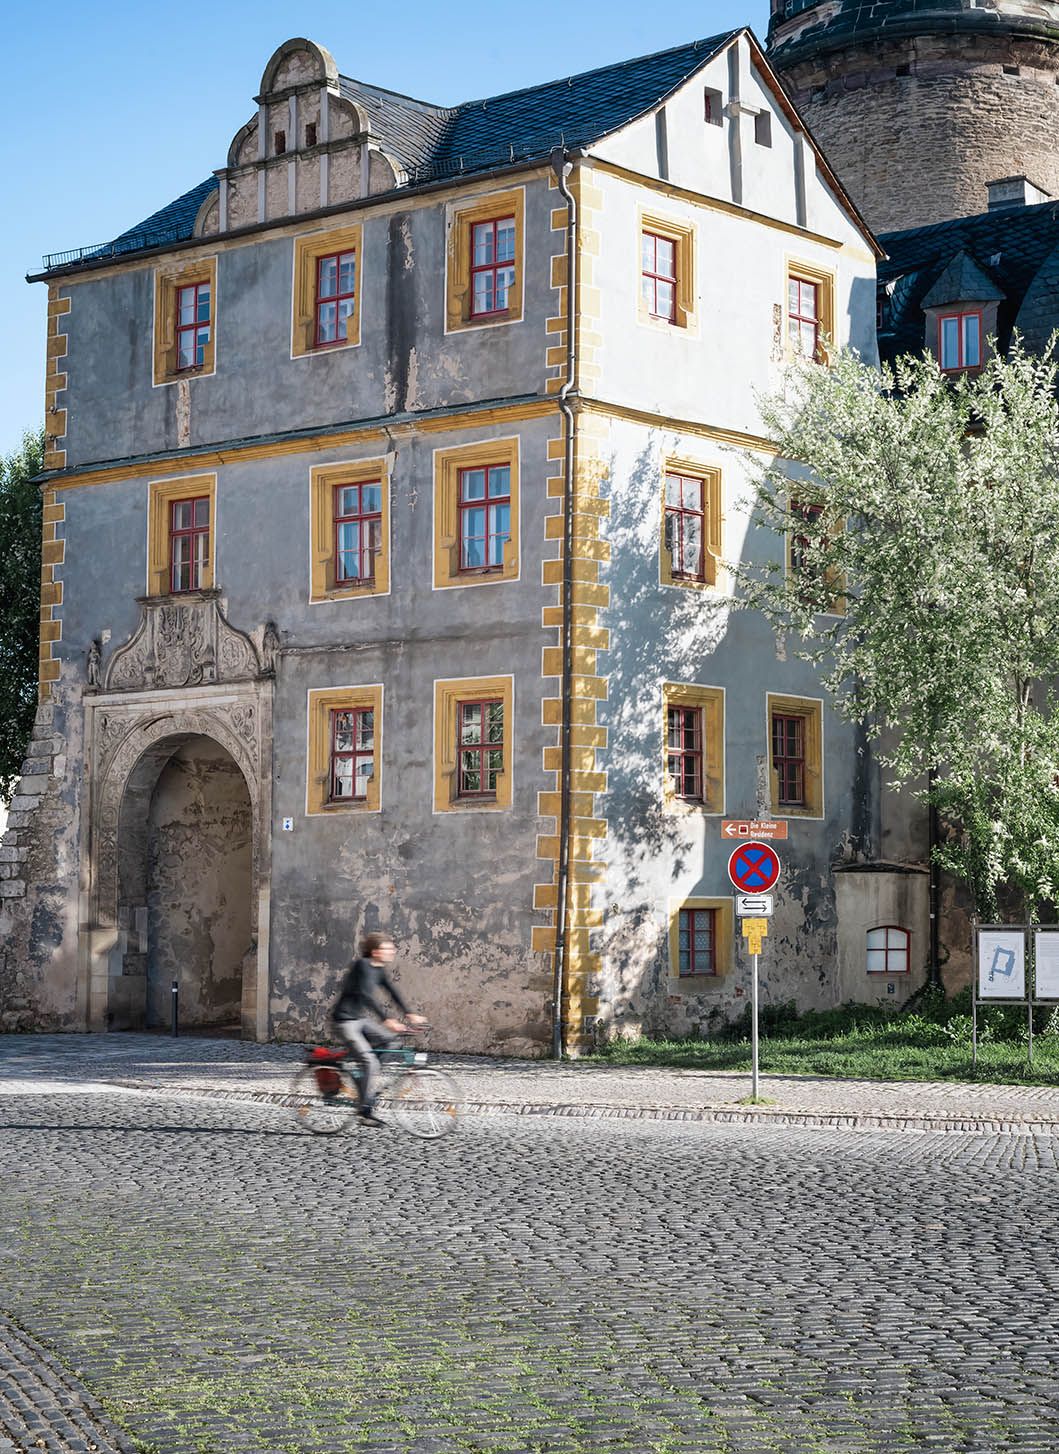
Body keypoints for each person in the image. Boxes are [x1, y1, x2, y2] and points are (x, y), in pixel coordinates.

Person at [331, 932, 425, 1127]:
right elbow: (366, 996)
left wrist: (409, 1013)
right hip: (344, 1021)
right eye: (388, 948)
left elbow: (392, 992)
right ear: (375, 952)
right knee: (369, 1061)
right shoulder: (362, 966)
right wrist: (386, 1019)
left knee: (391, 1041)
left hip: (359, 1019)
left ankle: (365, 1080)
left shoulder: (378, 969)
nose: (393, 951)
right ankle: (363, 1111)